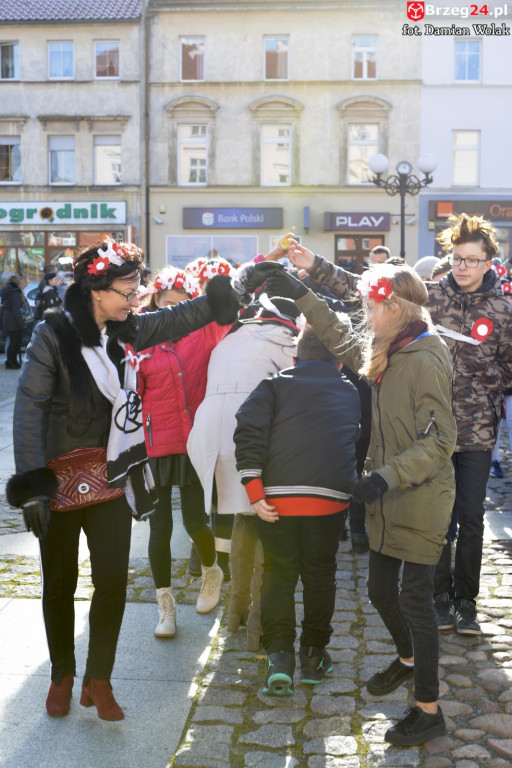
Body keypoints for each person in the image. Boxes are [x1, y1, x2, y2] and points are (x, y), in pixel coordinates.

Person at [6, 238, 266, 722]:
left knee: (112, 582)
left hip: (110, 476)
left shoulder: (126, 332)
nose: (136, 297)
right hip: (57, 479)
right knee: (59, 585)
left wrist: (233, 286)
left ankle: (98, 679)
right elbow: (29, 410)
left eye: (137, 288)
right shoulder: (52, 335)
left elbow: (181, 317)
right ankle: (62, 674)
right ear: (96, 288)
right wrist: (31, 486)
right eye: (128, 289)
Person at [279, 216, 512, 635]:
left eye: (472, 260)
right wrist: (315, 266)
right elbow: (362, 289)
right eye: (457, 258)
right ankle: (438, 600)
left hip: (475, 431)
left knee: (472, 517)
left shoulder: (504, 310)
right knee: (439, 520)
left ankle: (466, 603)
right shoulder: (428, 298)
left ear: (489, 261)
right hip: (421, 435)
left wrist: (486, 382)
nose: (462, 267)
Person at [265, 258, 456, 745]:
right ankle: (408, 659)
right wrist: (299, 290)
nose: (366, 318)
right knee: (377, 590)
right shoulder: (387, 347)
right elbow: (338, 337)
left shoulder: (427, 357)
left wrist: (384, 477)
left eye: (372, 309)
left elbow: (439, 442)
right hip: (388, 494)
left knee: (416, 602)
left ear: (395, 307)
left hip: (419, 496)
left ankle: (428, 709)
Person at [233, 324, 360, 695]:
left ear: (295, 356)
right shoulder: (348, 390)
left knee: (278, 573)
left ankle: (279, 656)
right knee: (320, 574)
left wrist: (255, 491)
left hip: (276, 498)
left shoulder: (273, 385)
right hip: (330, 497)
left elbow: (248, 429)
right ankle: (314, 655)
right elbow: (354, 436)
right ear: (338, 363)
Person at [188, 293, 301, 650]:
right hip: (248, 426)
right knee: (260, 515)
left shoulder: (232, 338)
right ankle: (256, 621)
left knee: (240, 516)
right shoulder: (284, 340)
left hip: (207, 427)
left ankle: (236, 608)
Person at [136, 266, 230, 635]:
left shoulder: (204, 330)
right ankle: (165, 606)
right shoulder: (141, 334)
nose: (171, 313)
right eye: (165, 304)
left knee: (195, 521)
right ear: (156, 301)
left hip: (193, 442)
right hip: (154, 444)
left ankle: (211, 571)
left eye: (180, 304)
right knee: (159, 528)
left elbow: (231, 299)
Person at [1, 274, 24, 369]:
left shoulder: (8, 291)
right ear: (17, 282)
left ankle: (12, 361)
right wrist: (21, 322)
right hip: (13, 320)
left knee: (13, 341)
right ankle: (11, 361)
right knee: (15, 342)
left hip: (7, 319)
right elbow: (16, 310)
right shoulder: (15, 293)